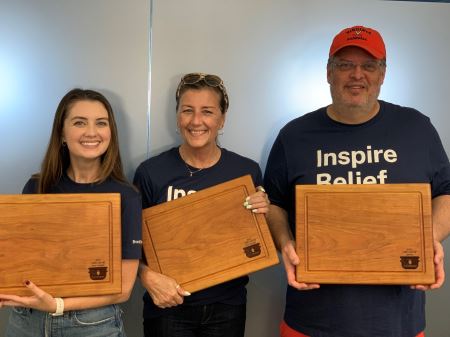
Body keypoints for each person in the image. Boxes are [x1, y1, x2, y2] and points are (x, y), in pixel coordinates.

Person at [264, 25, 450, 337]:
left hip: (397, 324)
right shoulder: (294, 135)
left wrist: (425, 236)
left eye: (369, 65)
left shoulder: (416, 128)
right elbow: (273, 204)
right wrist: (286, 243)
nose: (357, 75)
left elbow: (446, 193)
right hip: (310, 322)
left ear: (383, 74)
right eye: (345, 65)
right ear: (328, 72)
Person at [133, 72, 270, 337]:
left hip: (227, 306)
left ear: (222, 119)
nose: (196, 121)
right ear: (177, 117)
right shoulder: (151, 172)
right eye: (187, 111)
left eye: (207, 111)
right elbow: (129, 243)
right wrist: (146, 277)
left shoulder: (246, 172)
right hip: (168, 306)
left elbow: (258, 241)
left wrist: (263, 214)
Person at [0, 88, 142, 336]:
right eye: (79, 122)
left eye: (101, 123)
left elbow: (123, 289)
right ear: (62, 134)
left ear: (111, 133)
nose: (91, 132)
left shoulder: (126, 196)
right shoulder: (37, 187)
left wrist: (58, 305)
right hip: (27, 321)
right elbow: (21, 261)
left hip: (93, 325)